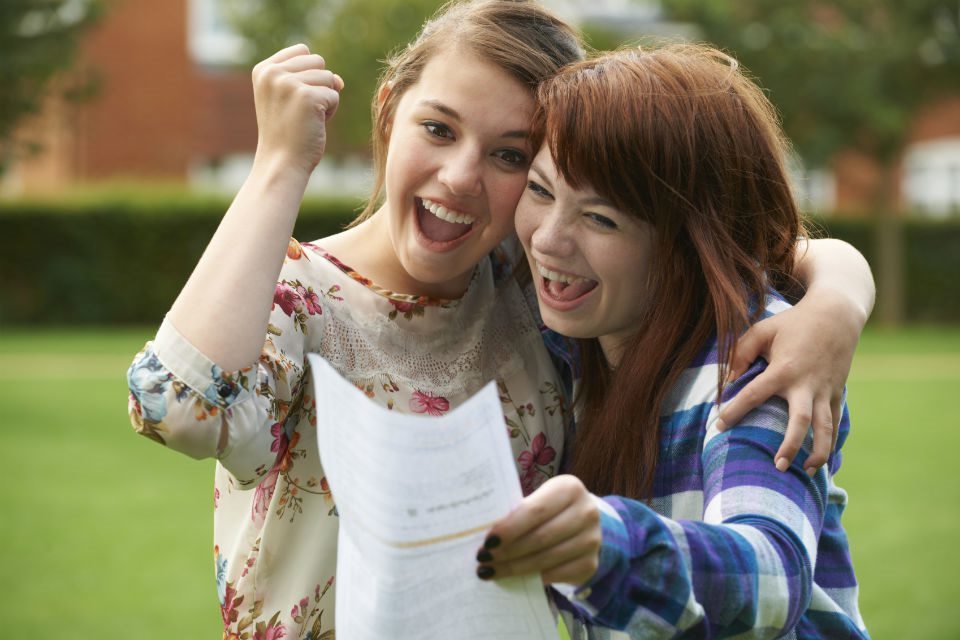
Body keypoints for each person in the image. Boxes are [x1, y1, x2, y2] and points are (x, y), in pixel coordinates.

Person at [126, 1, 871, 637]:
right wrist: (280, 164)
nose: (461, 178)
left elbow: (717, 240)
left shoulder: (528, 295)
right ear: (387, 110)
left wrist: (835, 297)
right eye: (438, 128)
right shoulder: (293, 296)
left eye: (511, 157)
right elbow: (177, 409)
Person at [476, 45, 869, 639]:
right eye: (540, 189)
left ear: (691, 245)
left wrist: (609, 544)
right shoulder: (565, 329)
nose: (547, 240)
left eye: (601, 218)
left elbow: (771, 571)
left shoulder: (754, 360)